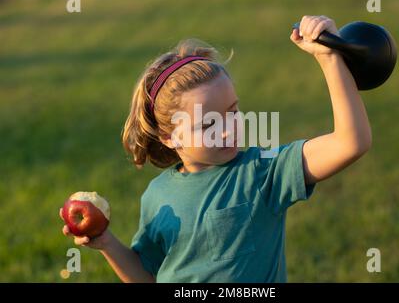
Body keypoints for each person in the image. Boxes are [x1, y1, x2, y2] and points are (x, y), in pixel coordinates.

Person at [60, 15, 372, 282]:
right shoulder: (157, 197)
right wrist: (107, 243)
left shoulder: (263, 171)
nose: (228, 129)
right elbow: (148, 275)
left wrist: (329, 58)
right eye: (207, 125)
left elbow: (351, 142)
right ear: (169, 137)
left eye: (233, 112)